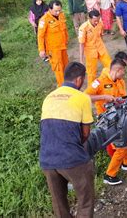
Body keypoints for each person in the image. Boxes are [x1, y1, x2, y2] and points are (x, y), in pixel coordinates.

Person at [39, 62, 95, 218]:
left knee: (59, 204)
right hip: (71, 159)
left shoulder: (48, 97)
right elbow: (85, 134)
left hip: (47, 159)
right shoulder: (83, 98)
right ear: (79, 80)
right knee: (86, 200)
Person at [85, 58, 127, 185]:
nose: (124, 74)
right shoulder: (99, 82)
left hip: (120, 116)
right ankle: (110, 175)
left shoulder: (120, 81)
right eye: (123, 71)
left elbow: (122, 96)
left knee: (126, 137)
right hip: (107, 121)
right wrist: (104, 97)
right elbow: (85, 97)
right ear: (118, 70)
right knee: (121, 146)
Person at [38, 0, 69, 87]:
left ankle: (69, 85)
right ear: (50, 9)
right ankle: (63, 87)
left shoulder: (61, 15)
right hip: (53, 50)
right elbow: (40, 36)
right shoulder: (44, 20)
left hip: (63, 47)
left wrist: (67, 39)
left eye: (59, 10)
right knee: (58, 69)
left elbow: (64, 29)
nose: (58, 12)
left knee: (66, 66)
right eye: (56, 11)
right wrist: (41, 50)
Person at [78, 10, 112, 85]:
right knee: (91, 73)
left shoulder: (100, 23)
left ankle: (110, 80)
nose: (96, 22)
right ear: (89, 18)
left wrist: (102, 44)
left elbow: (101, 35)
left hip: (101, 49)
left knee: (110, 65)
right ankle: (91, 89)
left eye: (98, 20)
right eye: (95, 21)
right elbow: (81, 44)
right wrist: (81, 59)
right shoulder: (83, 28)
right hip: (91, 53)